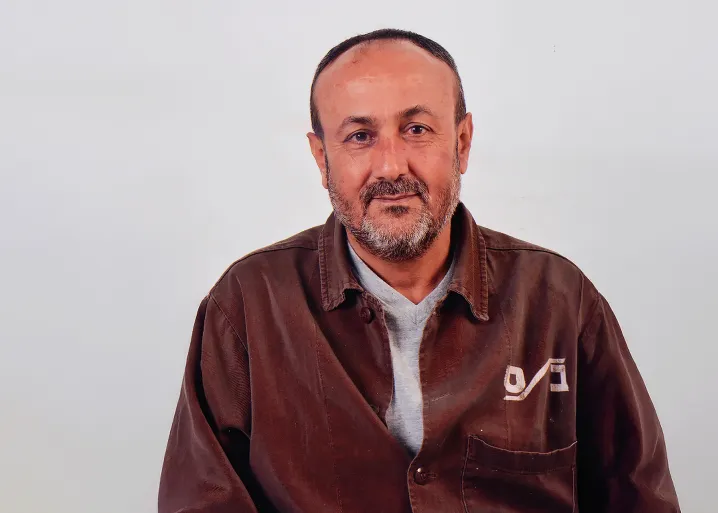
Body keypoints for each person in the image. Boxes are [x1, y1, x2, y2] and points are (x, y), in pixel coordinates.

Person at [158, 28, 680, 513]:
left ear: (462, 142)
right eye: (359, 136)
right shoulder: (248, 306)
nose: (391, 166)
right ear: (321, 158)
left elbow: (638, 499)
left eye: (416, 129)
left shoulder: (559, 301)